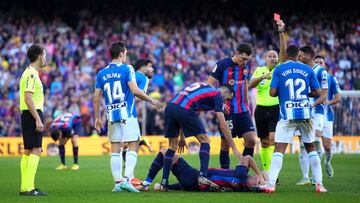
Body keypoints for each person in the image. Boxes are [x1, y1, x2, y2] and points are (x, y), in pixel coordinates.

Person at [93, 41, 162, 193]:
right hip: (127, 114)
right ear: (122, 54)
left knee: (115, 148)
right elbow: (135, 91)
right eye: (125, 53)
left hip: (111, 115)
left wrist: (97, 118)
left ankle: (117, 182)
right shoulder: (127, 68)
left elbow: (96, 98)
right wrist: (152, 100)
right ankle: (127, 179)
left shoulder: (101, 73)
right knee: (134, 143)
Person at [258, 45, 327, 193]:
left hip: (287, 115)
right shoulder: (308, 70)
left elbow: (272, 93)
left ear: (285, 56)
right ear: (298, 55)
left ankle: (270, 184)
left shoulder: (279, 69)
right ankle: (319, 185)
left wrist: (283, 91)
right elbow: (318, 92)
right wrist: (306, 95)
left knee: (279, 149)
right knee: (311, 148)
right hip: (305, 114)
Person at [159, 82, 243, 190]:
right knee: (205, 140)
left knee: (172, 147)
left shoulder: (206, 88)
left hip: (170, 107)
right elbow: (223, 125)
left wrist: (182, 136)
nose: (226, 102)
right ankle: (203, 176)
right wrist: (234, 148)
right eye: (228, 99)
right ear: (225, 91)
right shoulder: (217, 94)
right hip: (183, 108)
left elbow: (185, 107)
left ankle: (164, 183)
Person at [207, 42, 256, 169]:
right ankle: (225, 174)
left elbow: (244, 83)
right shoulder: (222, 65)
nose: (245, 62)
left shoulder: (246, 66)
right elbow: (209, 86)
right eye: (243, 58)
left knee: (251, 140)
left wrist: (247, 102)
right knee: (225, 144)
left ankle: (243, 171)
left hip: (242, 109)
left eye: (248, 59)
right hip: (227, 111)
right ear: (237, 53)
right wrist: (220, 103)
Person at [249, 19, 286, 172]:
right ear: (265, 59)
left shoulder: (279, 68)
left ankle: (274, 173)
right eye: (269, 56)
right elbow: (250, 85)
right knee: (264, 143)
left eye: (274, 56)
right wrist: (262, 77)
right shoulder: (259, 70)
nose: (272, 58)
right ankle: (267, 171)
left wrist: (281, 32)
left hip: (275, 109)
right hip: (260, 110)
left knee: (273, 140)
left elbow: (283, 52)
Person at [138, 149, 265, 192]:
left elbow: (248, 158)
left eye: (259, 180)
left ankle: (148, 183)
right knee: (186, 184)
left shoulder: (241, 175)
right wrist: (261, 177)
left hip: (195, 177)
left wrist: (259, 174)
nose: (257, 179)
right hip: (194, 183)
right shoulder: (240, 185)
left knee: (166, 152)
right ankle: (164, 186)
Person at [296, 46, 329, 186]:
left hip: (316, 111)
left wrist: (313, 105)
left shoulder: (322, 72)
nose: (299, 57)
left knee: (314, 141)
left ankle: (317, 177)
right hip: (301, 111)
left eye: (301, 55)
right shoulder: (300, 69)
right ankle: (305, 177)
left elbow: (324, 94)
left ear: (308, 56)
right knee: (302, 143)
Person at [19, 44, 48, 196]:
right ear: (39, 57)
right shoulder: (31, 73)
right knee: (36, 149)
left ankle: (26, 186)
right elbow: (28, 97)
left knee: (28, 150)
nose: (46, 59)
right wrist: (37, 118)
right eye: (45, 55)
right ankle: (29, 188)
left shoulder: (29, 73)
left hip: (27, 114)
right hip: (32, 113)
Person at [315, 55, 341, 177]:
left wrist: (328, 102)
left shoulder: (331, 79)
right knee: (316, 137)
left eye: (321, 62)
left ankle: (327, 162)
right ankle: (317, 171)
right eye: (317, 62)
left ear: (324, 65)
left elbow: (338, 97)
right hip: (315, 112)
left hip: (327, 115)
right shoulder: (310, 77)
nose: (319, 64)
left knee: (327, 147)